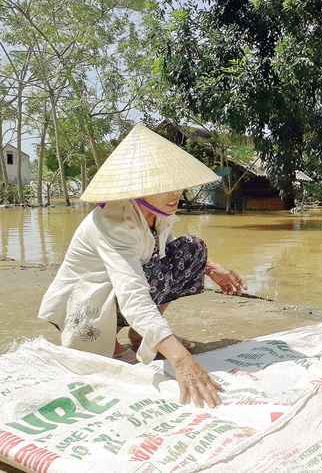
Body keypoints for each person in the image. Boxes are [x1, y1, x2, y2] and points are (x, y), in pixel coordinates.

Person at [39, 124, 246, 409]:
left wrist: (210, 268)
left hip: (122, 292)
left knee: (192, 249)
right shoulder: (115, 222)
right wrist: (181, 360)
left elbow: (165, 249)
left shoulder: (157, 213)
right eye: (162, 187)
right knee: (153, 277)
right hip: (88, 303)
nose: (175, 193)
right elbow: (133, 293)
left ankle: (140, 335)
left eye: (177, 184)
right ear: (139, 188)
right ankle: (110, 343)